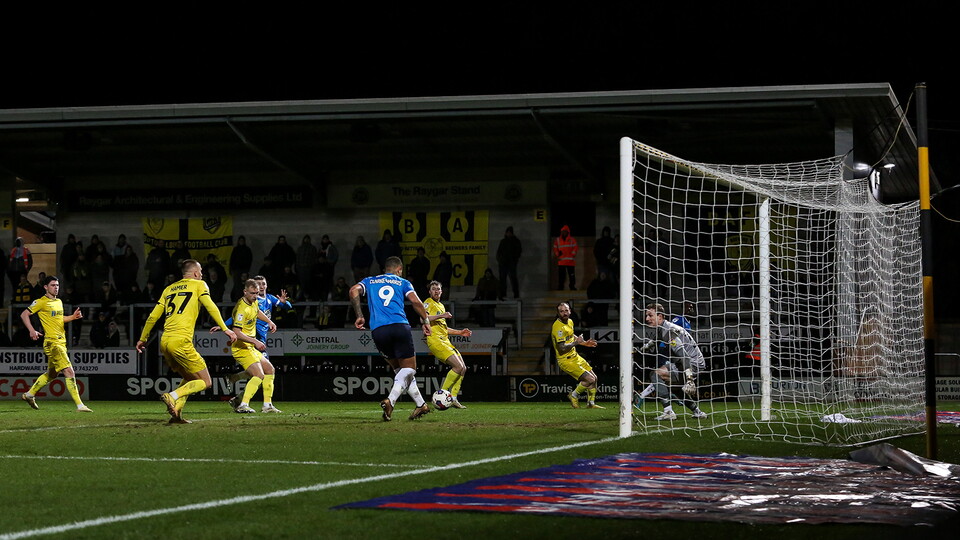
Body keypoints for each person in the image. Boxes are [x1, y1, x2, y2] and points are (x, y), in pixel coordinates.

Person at [135, 259, 237, 424]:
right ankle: (172, 396)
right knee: (206, 381)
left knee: (191, 378)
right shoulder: (200, 285)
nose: (202, 274)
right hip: (181, 341)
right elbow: (211, 306)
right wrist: (225, 328)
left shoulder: (169, 289)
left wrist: (142, 338)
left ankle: (176, 414)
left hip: (165, 342)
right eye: (201, 271)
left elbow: (153, 316)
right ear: (196, 273)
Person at [349, 255, 432, 421]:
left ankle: (421, 404)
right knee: (410, 368)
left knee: (400, 370)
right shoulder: (402, 282)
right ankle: (391, 400)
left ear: (385, 269)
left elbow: (353, 291)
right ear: (399, 270)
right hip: (399, 326)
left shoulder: (370, 281)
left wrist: (359, 315)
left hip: (378, 330)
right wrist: (426, 320)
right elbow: (416, 302)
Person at [19, 275, 92, 412]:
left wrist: (72, 317)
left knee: (52, 374)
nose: (56, 288)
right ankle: (80, 405)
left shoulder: (58, 301)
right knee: (69, 371)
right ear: (46, 287)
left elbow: (59, 319)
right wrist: (32, 330)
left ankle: (29, 394)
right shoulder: (41, 302)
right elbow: (24, 314)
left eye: (57, 285)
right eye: (53, 285)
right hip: (53, 343)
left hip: (61, 341)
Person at [216, 274, 285, 404]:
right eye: (253, 293)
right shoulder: (242, 308)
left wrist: (270, 322)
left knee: (269, 369)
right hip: (243, 346)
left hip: (252, 345)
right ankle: (242, 403)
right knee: (259, 374)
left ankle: (267, 405)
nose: (255, 296)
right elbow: (236, 331)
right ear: (245, 292)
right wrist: (255, 341)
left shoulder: (254, 302)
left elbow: (258, 312)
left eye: (257, 293)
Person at [638, 302, 708, 420]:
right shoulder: (663, 328)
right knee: (675, 386)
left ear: (660, 316)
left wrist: (690, 379)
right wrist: (647, 345)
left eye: (650, 315)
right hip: (691, 362)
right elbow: (657, 338)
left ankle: (668, 412)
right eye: (646, 315)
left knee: (655, 374)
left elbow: (684, 356)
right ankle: (697, 412)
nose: (647, 319)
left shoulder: (670, 332)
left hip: (692, 363)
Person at [424, 280, 471, 409]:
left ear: (441, 291)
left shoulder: (441, 306)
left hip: (444, 340)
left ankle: (454, 397)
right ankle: (441, 395)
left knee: (463, 368)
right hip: (435, 340)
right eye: (433, 289)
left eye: (438, 289)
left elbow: (444, 329)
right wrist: (442, 315)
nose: (436, 291)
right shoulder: (428, 302)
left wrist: (460, 332)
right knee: (457, 366)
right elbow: (424, 318)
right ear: (430, 291)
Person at [551, 302, 603, 409]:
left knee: (595, 378)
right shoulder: (558, 328)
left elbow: (571, 335)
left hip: (575, 356)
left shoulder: (570, 321)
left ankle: (591, 404)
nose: (564, 313)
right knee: (590, 379)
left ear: (570, 311)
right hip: (565, 360)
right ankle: (573, 395)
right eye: (561, 311)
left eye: (566, 310)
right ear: (558, 313)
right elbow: (561, 348)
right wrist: (577, 343)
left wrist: (584, 343)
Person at [495, 226, 521, 300]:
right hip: (503, 263)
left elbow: (518, 251)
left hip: (511, 263)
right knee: (502, 279)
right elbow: (499, 252)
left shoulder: (516, 241)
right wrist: (500, 260)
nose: (508, 234)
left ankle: (516, 294)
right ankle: (503, 294)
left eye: (510, 232)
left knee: (513, 279)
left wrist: (514, 259)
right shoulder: (503, 241)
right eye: (508, 232)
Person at [552, 225, 578, 290]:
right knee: (561, 276)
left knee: (571, 275)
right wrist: (558, 254)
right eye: (563, 231)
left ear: (568, 232)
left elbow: (575, 247)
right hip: (562, 261)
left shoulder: (572, 239)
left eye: (565, 231)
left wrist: (573, 254)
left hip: (570, 261)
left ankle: (572, 286)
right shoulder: (558, 240)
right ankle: (561, 287)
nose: (564, 233)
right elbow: (555, 248)